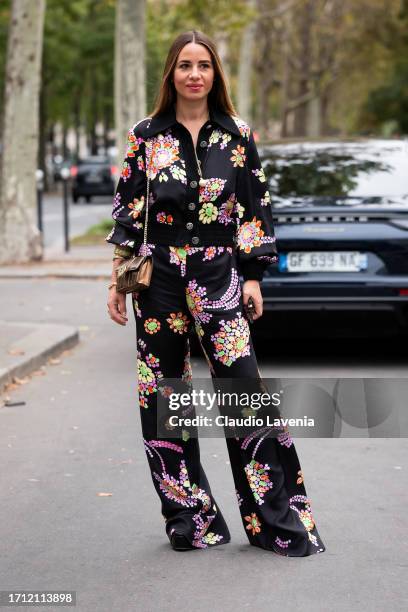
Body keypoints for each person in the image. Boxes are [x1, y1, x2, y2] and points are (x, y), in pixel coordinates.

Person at [106, 29, 325, 556]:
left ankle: (275, 518)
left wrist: (252, 276)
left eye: (203, 65)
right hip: (157, 278)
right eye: (185, 65)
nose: (194, 74)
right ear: (171, 73)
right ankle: (190, 516)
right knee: (164, 396)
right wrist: (118, 277)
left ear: (215, 74)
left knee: (244, 393)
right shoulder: (146, 135)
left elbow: (255, 209)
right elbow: (129, 209)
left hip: (218, 273)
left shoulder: (237, 134)